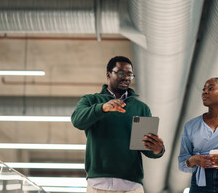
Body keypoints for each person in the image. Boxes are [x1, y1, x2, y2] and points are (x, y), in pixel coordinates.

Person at [71, 56, 165, 193]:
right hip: (98, 184)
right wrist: (102, 108)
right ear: (108, 74)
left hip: (131, 186)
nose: (126, 77)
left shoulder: (141, 108)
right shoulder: (91, 100)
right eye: (120, 73)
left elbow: (146, 148)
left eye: (129, 74)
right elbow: (77, 121)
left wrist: (158, 149)